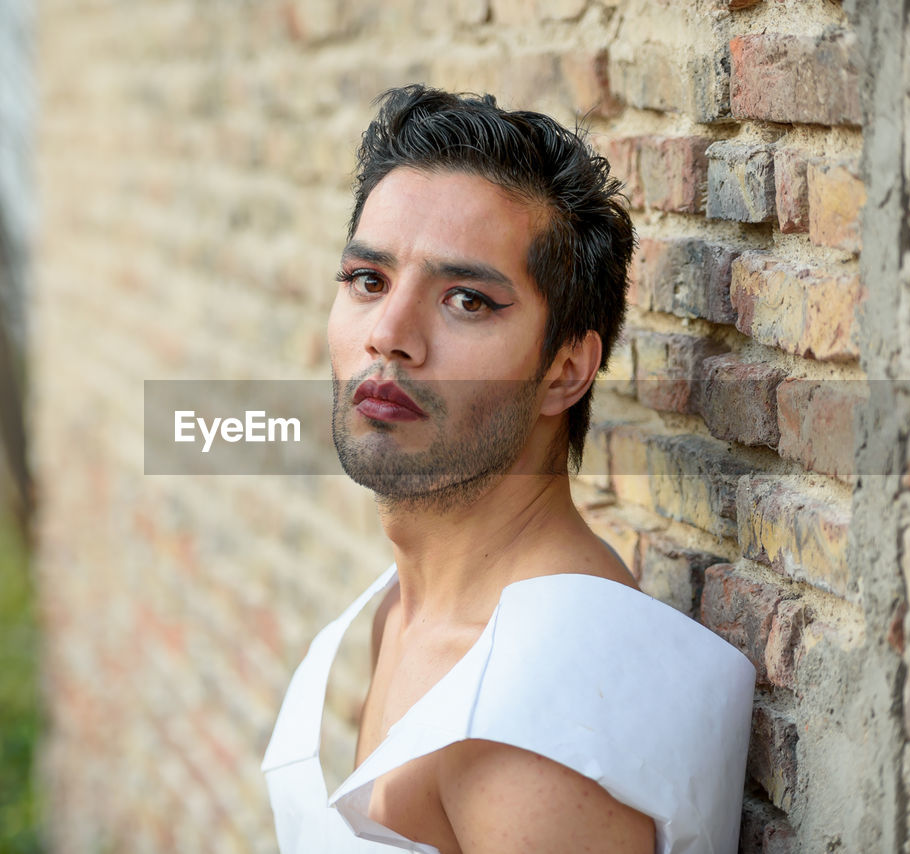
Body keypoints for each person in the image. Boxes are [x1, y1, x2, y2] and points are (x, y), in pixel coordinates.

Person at [261, 85, 755, 854]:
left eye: (465, 300)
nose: (389, 336)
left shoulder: (538, 722)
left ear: (565, 369)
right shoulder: (406, 611)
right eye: (369, 281)